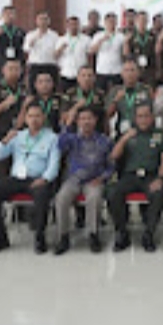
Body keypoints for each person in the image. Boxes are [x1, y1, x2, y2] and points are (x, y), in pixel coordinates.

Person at [0, 104, 60, 255]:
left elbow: (54, 164)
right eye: (30, 116)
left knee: (42, 196)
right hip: (17, 178)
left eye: (37, 116)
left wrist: (45, 179)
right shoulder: (18, 136)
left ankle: (40, 237)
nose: (34, 120)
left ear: (43, 118)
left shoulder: (52, 138)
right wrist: (5, 140)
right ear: (25, 119)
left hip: (39, 179)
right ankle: (0, 236)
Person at [107, 103, 163, 252]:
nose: (143, 120)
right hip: (129, 176)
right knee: (112, 193)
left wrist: (160, 178)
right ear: (135, 118)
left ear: (152, 117)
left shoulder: (160, 135)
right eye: (140, 116)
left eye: (146, 116)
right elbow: (114, 156)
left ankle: (148, 234)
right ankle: (122, 233)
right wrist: (124, 139)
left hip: (150, 176)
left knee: (158, 193)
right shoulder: (128, 134)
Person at [53, 108, 112, 255]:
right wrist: (68, 124)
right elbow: (60, 144)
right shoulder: (72, 139)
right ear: (78, 122)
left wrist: (103, 178)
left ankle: (93, 235)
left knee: (94, 198)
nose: (86, 122)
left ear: (95, 120)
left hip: (94, 180)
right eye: (82, 119)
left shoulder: (104, 141)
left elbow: (111, 166)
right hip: (73, 179)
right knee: (61, 198)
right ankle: (63, 236)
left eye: (89, 118)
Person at [0, 58, 26, 182]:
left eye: (17, 69)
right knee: (1, 174)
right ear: (3, 70)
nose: (14, 72)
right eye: (10, 69)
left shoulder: (25, 90)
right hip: (2, 136)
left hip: (22, 136)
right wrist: (4, 104)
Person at [106, 60, 153, 138]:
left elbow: (153, 112)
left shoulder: (146, 90)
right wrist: (116, 100)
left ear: (138, 73)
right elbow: (108, 114)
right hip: (122, 131)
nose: (129, 74)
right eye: (126, 70)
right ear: (121, 74)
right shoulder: (115, 90)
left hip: (142, 132)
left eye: (132, 70)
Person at [89, 12, 125, 92]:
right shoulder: (98, 35)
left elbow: (124, 53)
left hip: (117, 70)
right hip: (102, 70)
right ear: (105, 22)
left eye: (114, 21)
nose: (111, 24)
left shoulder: (121, 36)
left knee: (116, 92)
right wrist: (101, 40)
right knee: (100, 92)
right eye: (109, 22)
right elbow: (91, 51)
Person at [62, 66, 106, 131]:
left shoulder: (100, 95)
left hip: (96, 131)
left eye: (89, 76)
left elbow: (105, 116)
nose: (86, 79)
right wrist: (76, 106)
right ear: (78, 78)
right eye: (83, 76)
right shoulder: (69, 94)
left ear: (94, 78)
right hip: (75, 131)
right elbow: (63, 118)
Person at [55, 15, 90, 94]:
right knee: (65, 95)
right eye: (71, 24)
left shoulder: (86, 39)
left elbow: (90, 55)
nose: (74, 27)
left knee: (80, 95)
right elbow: (55, 56)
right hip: (66, 73)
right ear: (67, 26)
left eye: (76, 24)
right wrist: (61, 48)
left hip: (81, 74)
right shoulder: (61, 39)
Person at [124, 11, 159, 86]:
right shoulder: (131, 36)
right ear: (136, 20)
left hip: (150, 70)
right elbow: (126, 54)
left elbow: (157, 53)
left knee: (149, 89)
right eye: (140, 20)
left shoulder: (153, 36)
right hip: (135, 69)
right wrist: (126, 42)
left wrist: (158, 69)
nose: (142, 22)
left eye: (145, 20)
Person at [0, 5, 26, 70]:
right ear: (2, 16)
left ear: (15, 16)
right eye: (7, 14)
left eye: (12, 14)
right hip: (2, 62)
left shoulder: (20, 31)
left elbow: (25, 47)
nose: (10, 16)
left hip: (17, 62)